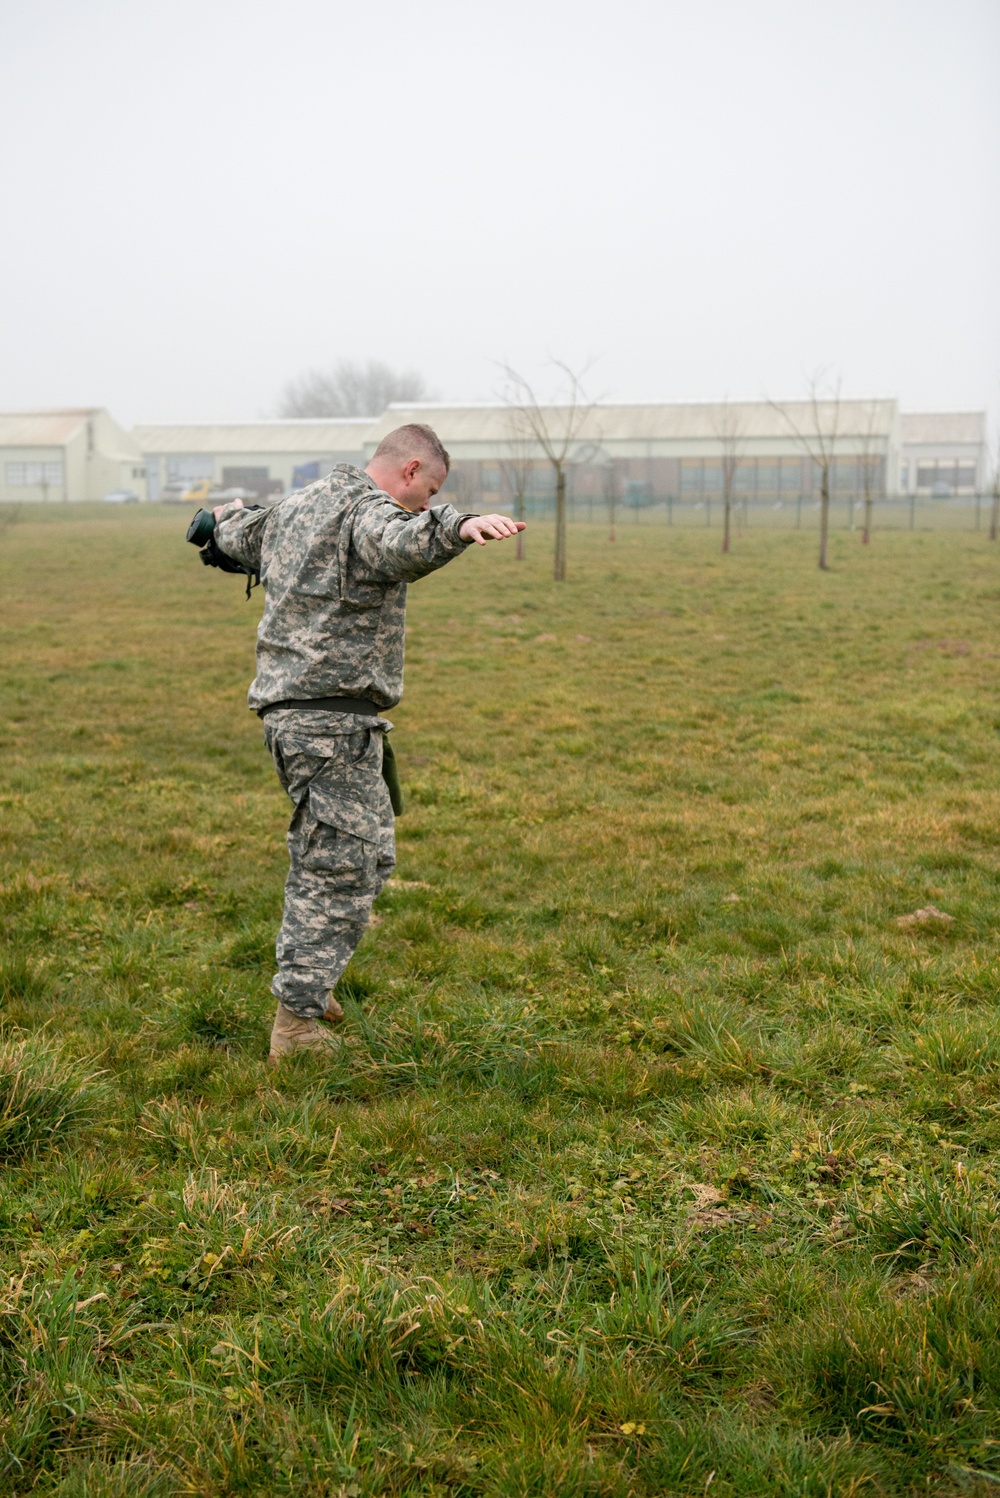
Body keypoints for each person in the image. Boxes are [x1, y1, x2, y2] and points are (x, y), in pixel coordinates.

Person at [212, 423, 524, 1063]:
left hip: (306, 718)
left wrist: (215, 524)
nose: (423, 501)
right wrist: (454, 526)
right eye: (428, 490)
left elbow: (239, 534)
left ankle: (313, 981)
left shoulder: (299, 504)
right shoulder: (367, 512)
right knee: (339, 868)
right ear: (410, 471)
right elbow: (399, 540)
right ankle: (296, 1024)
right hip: (327, 724)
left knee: (367, 851)